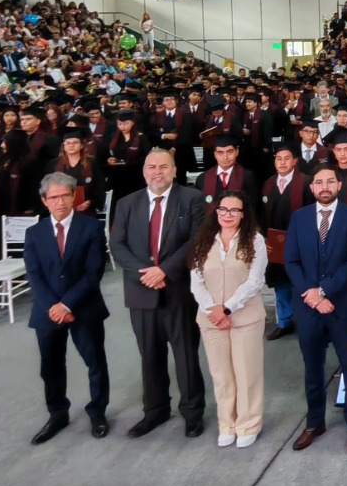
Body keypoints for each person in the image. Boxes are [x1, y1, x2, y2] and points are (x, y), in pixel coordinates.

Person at [110, 148, 209, 438]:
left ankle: (192, 413)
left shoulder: (192, 198)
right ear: (144, 172)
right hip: (140, 290)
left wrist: (164, 270)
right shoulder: (127, 203)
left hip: (178, 290)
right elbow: (117, 245)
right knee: (150, 355)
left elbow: (196, 240)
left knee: (186, 355)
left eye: (163, 167)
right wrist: (147, 272)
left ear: (174, 170)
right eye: (151, 167)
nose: (157, 172)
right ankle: (155, 411)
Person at [285, 165, 347, 451]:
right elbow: (291, 261)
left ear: (339, 185)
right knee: (312, 368)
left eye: (330, 181)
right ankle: (314, 423)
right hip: (308, 306)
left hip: (342, 304)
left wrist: (323, 291)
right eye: (319, 182)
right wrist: (313, 296)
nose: (324, 186)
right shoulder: (298, 218)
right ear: (311, 188)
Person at [23, 172, 110, 444]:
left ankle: (98, 412)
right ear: (44, 200)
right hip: (47, 311)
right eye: (54, 197)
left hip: (84, 307)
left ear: (73, 196)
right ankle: (57, 414)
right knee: (50, 367)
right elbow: (34, 275)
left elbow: (93, 272)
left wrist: (67, 304)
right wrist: (53, 306)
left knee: (95, 362)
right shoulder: (34, 233)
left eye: (65, 196)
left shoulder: (91, 228)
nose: (60, 202)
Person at [188, 190, 268, 449]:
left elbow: (255, 281)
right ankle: (227, 425)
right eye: (223, 209)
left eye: (235, 210)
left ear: (243, 215)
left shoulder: (254, 241)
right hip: (210, 319)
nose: (228, 215)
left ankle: (248, 424)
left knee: (246, 374)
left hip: (245, 318)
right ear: (216, 212)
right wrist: (212, 309)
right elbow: (196, 281)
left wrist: (227, 308)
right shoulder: (203, 240)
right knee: (221, 376)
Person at [261, 144, 311, 342]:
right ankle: (284, 322)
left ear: (295, 161)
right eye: (278, 158)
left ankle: (307, 322)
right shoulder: (267, 184)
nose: (282, 162)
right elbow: (262, 215)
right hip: (276, 245)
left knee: (302, 283)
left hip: (300, 243)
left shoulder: (305, 183)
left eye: (287, 158)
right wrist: (264, 239)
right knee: (280, 284)